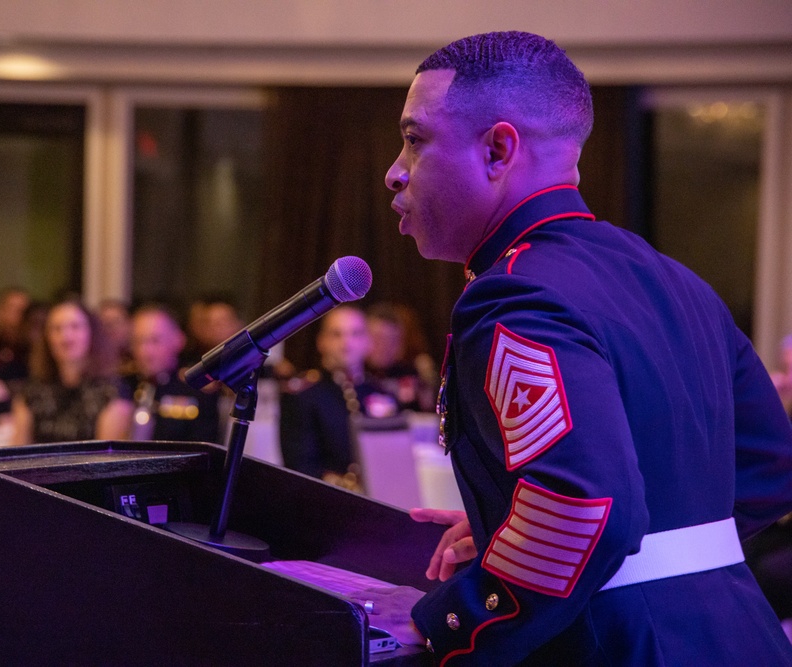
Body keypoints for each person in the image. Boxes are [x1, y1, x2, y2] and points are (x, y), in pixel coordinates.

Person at [380, 31, 792, 663]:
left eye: (415, 140)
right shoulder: (673, 278)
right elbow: (768, 466)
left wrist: (452, 619)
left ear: (497, 149)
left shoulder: (513, 295)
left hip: (617, 646)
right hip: (739, 633)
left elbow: (580, 507)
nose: (396, 170)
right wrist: (642, 552)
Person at [279, 305, 400, 489]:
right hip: (326, 500)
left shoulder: (382, 393)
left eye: (356, 334)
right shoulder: (303, 396)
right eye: (337, 334)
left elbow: (394, 459)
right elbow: (300, 467)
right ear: (321, 342)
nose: (347, 343)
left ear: (368, 342)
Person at [10, 299, 132, 445]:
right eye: (57, 328)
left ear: (92, 333)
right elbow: (18, 455)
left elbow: (106, 460)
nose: (66, 337)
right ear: (47, 338)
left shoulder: (114, 392)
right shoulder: (30, 392)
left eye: (75, 327)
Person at [124, 304, 220, 443]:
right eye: (138, 341)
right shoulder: (125, 385)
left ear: (178, 340)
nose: (145, 351)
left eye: (155, 341)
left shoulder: (196, 389)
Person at [97, 298, 133, 375]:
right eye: (105, 323)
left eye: (116, 321)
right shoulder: (93, 364)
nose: (111, 327)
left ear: (128, 324)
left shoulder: (139, 359)